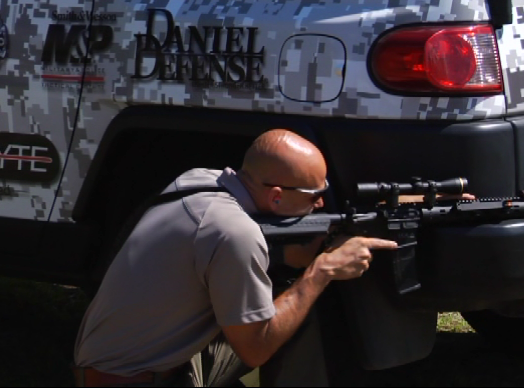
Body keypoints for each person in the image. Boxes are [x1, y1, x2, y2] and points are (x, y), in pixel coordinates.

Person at [71, 129, 401, 387]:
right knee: (295, 310)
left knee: (284, 303)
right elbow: (255, 350)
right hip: (138, 382)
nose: (320, 205)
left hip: (111, 364)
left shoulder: (195, 181)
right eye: (315, 195)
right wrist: (320, 271)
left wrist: (287, 255)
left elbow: (205, 255)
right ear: (275, 196)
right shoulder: (236, 232)